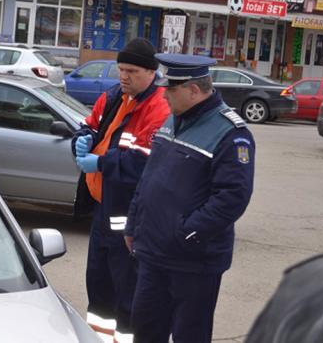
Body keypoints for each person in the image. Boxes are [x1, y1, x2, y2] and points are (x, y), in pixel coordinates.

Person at [124, 53, 256, 343]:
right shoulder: (173, 120)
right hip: (153, 254)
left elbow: (233, 197)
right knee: (144, 330)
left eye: (170, 90)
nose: (164, 96)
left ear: (194, 90)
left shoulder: (231, 133)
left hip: (194, 261)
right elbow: (149, 178)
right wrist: (133, 223)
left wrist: (185, 234)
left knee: (189, 335)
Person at [72, 38, 171, 342]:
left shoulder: (159, 106)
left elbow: (146, 163)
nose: (123, 76)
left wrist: (101, 163)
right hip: (104, 210)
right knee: (99, 291)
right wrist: (82, 137)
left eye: (131, 71)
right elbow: (89, 124)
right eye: (121, 69)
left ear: (151, 72)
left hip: (129, 215)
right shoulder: (113, 96)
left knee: (127, 293)